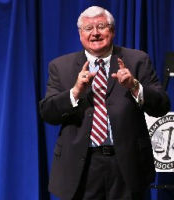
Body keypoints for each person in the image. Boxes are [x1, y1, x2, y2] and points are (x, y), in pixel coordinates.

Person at [39, 6, 171, 200]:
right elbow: (48, 113)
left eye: (101, 26)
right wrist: (75, 92)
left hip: (126, 164)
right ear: (80, 33)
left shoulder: (137, 60)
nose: (95, 33)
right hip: (81, 167)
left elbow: (162, 106)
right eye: (88, 28)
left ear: (112, 30)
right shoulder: (61, 66)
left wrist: (135, 86)